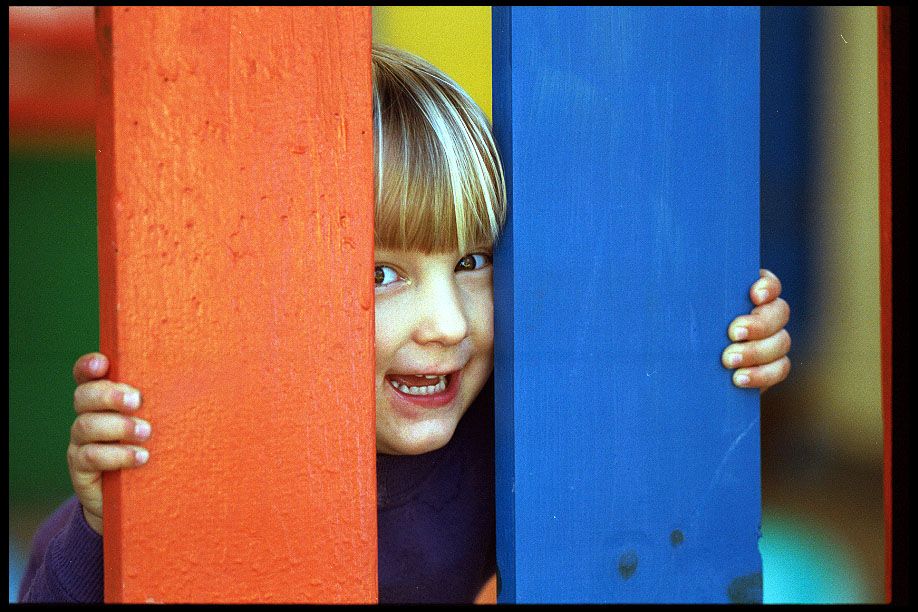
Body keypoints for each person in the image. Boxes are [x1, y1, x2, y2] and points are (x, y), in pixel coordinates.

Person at [18, 44, 792, 604]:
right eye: (380, 274)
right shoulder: (220, 445)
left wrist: (718, 345)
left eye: (472, 262)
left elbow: (636, 369)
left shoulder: (520, 426)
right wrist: (108, 524)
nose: (448, 325)